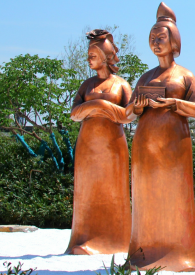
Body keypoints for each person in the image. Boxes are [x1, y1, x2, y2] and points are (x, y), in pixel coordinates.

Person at [125, 3, 195, 272]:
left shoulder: (185, 75)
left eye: (161, 37)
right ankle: (144, 251)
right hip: (145, 146)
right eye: (152, 37)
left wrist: (174, 103)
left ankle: (179, 251)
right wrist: (138, 106)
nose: (155, 42)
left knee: (175, 196)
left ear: (174, 42)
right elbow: (127, 113)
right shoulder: (145, 77)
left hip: (175, 145)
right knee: (146, 198)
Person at [66, 30, 132, 255]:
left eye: (92, 55)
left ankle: (116, 239)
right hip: (87, 145)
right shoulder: (86, 85)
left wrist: (100, 107)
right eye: (88, 55)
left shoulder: (121, 85)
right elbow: (74, 113)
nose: (88, 59)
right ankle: (85, 237)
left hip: (113, 145)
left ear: (105, 57)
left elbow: (129, 115)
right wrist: (99, 106)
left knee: (113, 192)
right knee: (87, 191)